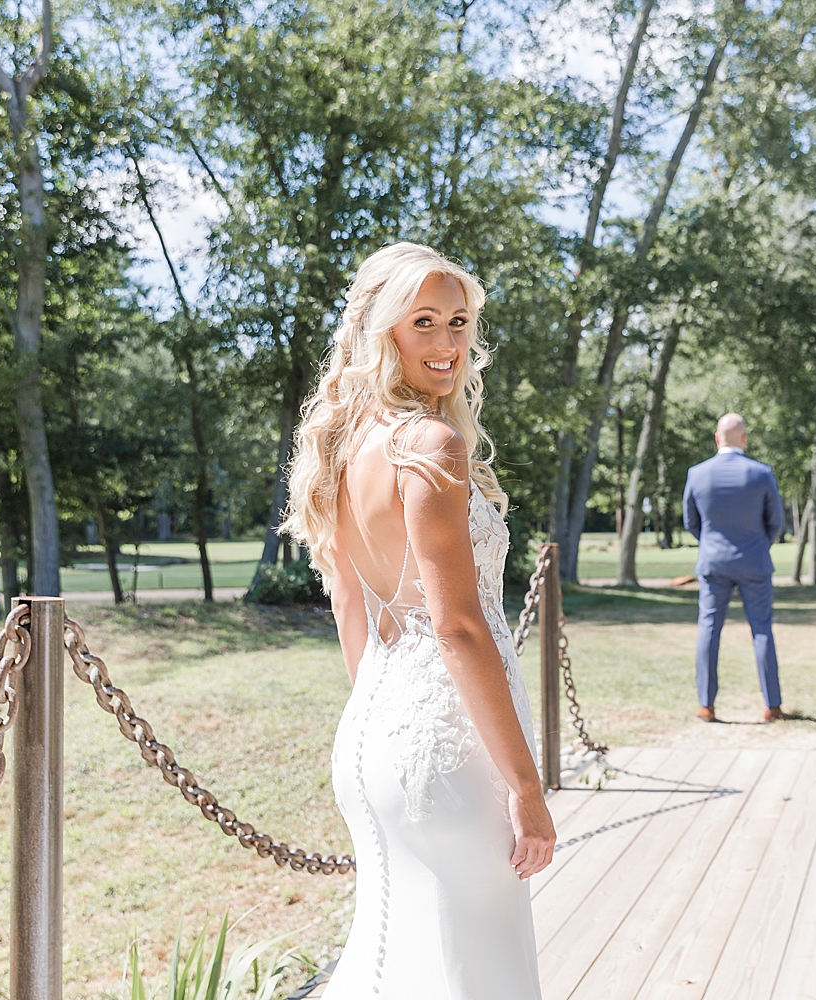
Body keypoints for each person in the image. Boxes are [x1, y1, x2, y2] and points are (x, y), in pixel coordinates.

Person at [282, 242, 550, 999]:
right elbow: (459, 626)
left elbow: (349, 607)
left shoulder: (339, 448)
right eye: (423, 322)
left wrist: (382, 716)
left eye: (459, 322)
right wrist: (525, 786)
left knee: (390, 961)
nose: (447, 344)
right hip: (453, 752)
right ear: (382, 332)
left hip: (375, 736)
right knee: (479, 971)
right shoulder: (429, 445)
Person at [682, 413, 786, 723]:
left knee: (709, 629)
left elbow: (691, 522)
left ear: (717, 438)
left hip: (713, 563)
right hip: (755, 561)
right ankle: (772, 705)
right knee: (762, 631)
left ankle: (706, 705)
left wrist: (712, 544)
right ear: (744, 439)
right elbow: (776, 523)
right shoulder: (762, 473)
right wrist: (756, 546)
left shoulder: (696, 474)